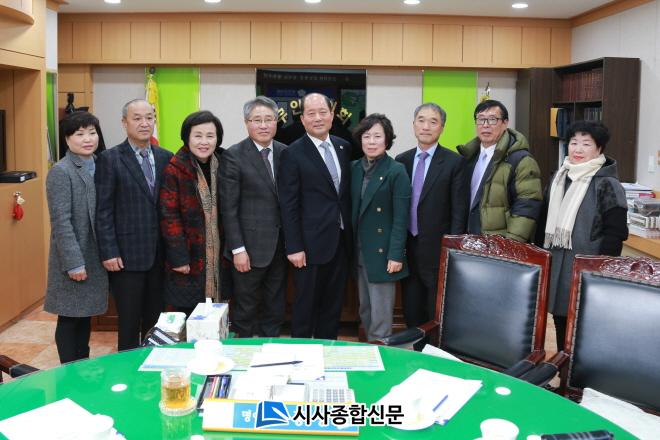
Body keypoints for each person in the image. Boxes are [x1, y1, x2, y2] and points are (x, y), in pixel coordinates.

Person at [539, 120, 628, 350]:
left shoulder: (607, 183)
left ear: (599, 149)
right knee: (560, 316)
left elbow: (616, 232)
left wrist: (602, 269)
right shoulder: (559, 177)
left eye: (586, 144)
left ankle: (576, 370)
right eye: (573, 142)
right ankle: (562, 362)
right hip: (557, 261)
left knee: (582, 322)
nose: (578, 149)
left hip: (587, 265)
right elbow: (543, 219)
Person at [95, 99, 173, 351]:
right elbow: (103, 210)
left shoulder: (165, 157)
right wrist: (109, 251)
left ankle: (151, 367)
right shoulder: (109, 159)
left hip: (159, 255)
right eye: (137, 118)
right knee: (128, 323)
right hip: (126, 256)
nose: (144, 123)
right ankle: (126, 368)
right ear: (124, 123)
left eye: (149, 117)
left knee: (155, 322)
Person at [278, 92, 352, 339]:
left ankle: (327, 351)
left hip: (340, 242)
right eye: (311, 113)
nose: (318, 118)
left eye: (323, 112)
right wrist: (294, 246)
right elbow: (288, 204)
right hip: (308, 246)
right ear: (302, 119)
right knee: (305, 307)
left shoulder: (343, 147)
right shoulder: (293, 153)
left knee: (333, 307)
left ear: (332, 115)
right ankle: (300, 354)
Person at [395, 103, 467, 346]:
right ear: (414, 124)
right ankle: (416, 355)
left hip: (438, 252)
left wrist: (452, 251)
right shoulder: (401, 160)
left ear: (442, 127)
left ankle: (435, 356)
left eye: (433, 121)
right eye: (421, 120)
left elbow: (459, 212)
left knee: (436, 313)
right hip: (408, 250)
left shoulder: (454, 162)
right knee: (411, 310)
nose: (426, 126)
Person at [219, 97, 288, 337]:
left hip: (281, 247)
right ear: (246, 123)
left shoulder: (285, 152)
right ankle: (243, 351)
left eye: (269, 119)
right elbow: (229, 208)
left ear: (276, 122)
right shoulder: (233, 155)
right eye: (257, 120)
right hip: (247, 249)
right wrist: (237, 249)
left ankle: (271, 350)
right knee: (245, 309)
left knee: (275, 307)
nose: (263, 125)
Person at [44, 111, 109, 364]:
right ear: (67, 138)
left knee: (84, 316)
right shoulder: (61, 171)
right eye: (79, 134)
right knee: (70, 317)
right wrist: (74, 263)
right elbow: (61, 221)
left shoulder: (100, 163)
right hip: (75, 255)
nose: (88, 139)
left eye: (92, 133)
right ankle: (68, 370)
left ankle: (80, 366)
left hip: (95, 254)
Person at [351, 114, 410, 341]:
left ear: (387, 140)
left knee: (381, 315)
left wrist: (396, 254)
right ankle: (369, 351)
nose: (371, 142)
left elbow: (401, 218)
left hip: (383, 253)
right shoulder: (355, 168)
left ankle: (380, 352)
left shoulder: (396, 170)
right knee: (365, 310)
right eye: (367, 136)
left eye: (377, 136)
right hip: (359, 250)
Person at [160, 110, 225, 317]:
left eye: (210, 136)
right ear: (187, 137)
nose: (204, 142)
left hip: (219, 255)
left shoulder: (224, 163)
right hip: (188, 257)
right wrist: (179, 257)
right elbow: (169, 216)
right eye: (198, 136)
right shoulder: (175, 168)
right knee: (187, 316)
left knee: (217, 317)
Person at [457, 99, 542, 242]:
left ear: (505, 123)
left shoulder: (521, 160)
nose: (485, 125)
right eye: (481, 119)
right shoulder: (468, 157)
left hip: (499, 244)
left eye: (492, 119)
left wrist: (510, 244)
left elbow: (527, 205)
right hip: (468, 240)